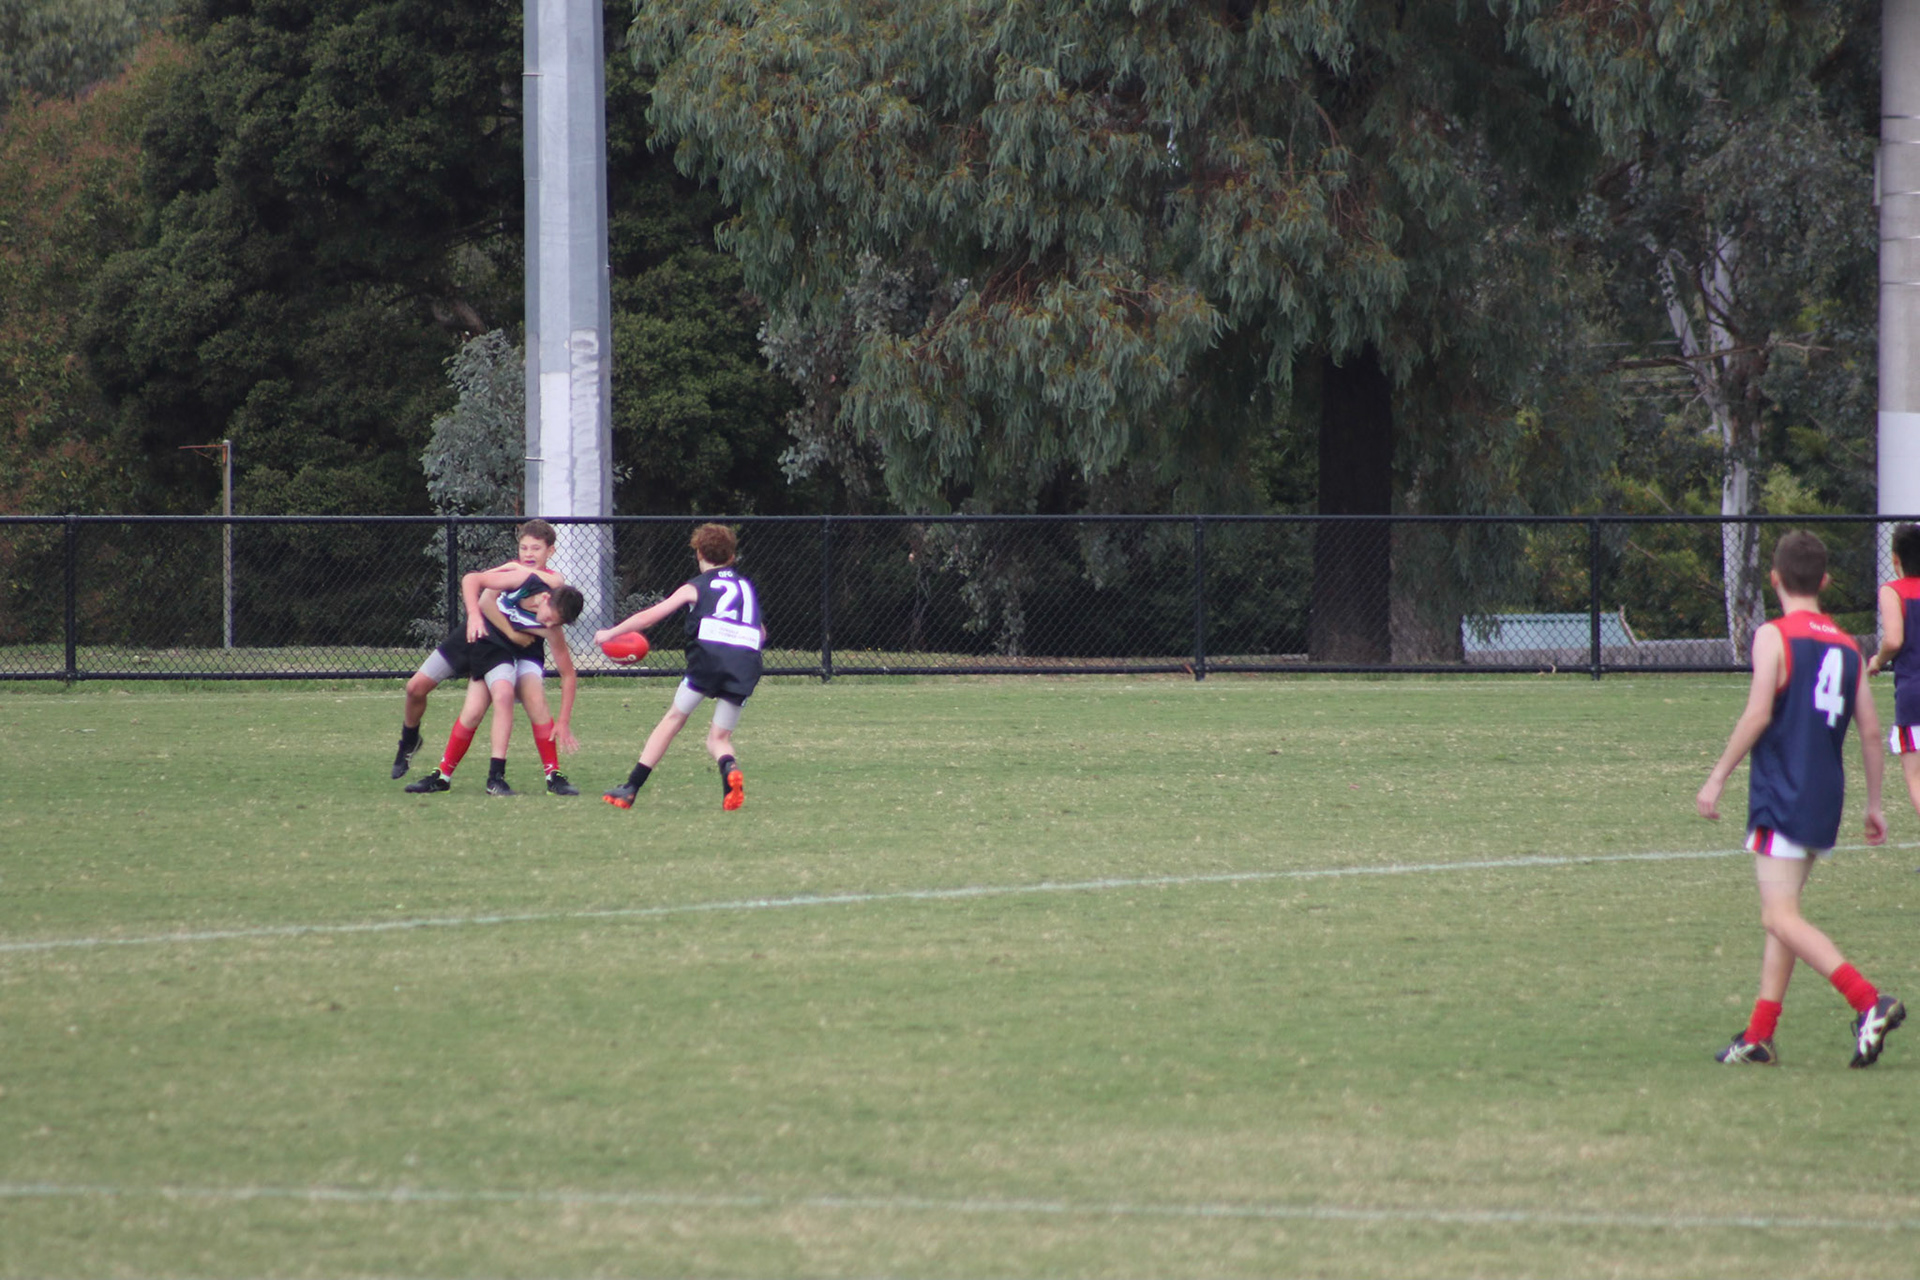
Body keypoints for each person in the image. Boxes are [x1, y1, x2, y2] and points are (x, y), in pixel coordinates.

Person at [1696, 529, 1904, 1068]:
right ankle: (1759, 1037)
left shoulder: (1773, 635)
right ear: (1826, 581)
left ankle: (1869, 1001)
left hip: (1782, 790)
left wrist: (1716, 777)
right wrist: (1874, 804)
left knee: (1778, 916)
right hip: (1824, 795)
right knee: (1783, 913)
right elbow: (1870, 729)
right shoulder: (1847, 644)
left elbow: (1758, 713)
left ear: (1774, 579)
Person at [596, 523, 764, 811]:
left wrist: (610, 633)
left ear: (699, 553)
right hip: (746, 662)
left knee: (674, 718)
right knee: (719, 738)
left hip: (709, 658)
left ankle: (631, 787)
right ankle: (729, 770)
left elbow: (650, 617)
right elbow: (760, 632)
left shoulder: (695, 586)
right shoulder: (746, 587)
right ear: (731, 557)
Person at [391, 520, 571, 778]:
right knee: (414, 688)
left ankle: (540, 775)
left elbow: (557, 582)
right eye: (524, 548)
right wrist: (477, 615)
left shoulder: (549, 585)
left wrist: (519, 573)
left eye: (536, 549)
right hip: (473, 634)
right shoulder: (514, 572)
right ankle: (409, 739)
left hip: (498, 648)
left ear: (550, 551)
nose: (529, 554)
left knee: (500, 703)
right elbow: (482, 593)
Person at [405, 573, 585, 796]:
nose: (548, 625)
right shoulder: (522, 580)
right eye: (549, 618)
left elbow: (568, 674)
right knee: (473, 711)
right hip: (491, 647)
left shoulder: (551, 627)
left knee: (533, 701)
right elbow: (474, 583)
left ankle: (549, 775)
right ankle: (443, 776)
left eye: (555, 623)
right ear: (546, 598)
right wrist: (474, 616)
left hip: (521, 652)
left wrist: (563, 721)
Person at [1865, 522, 1920, 826]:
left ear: (1895, 559)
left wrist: (1877, 660)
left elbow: (1894, 640)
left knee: (1916, 777)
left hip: (1914, 695)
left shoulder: (1892, 591)